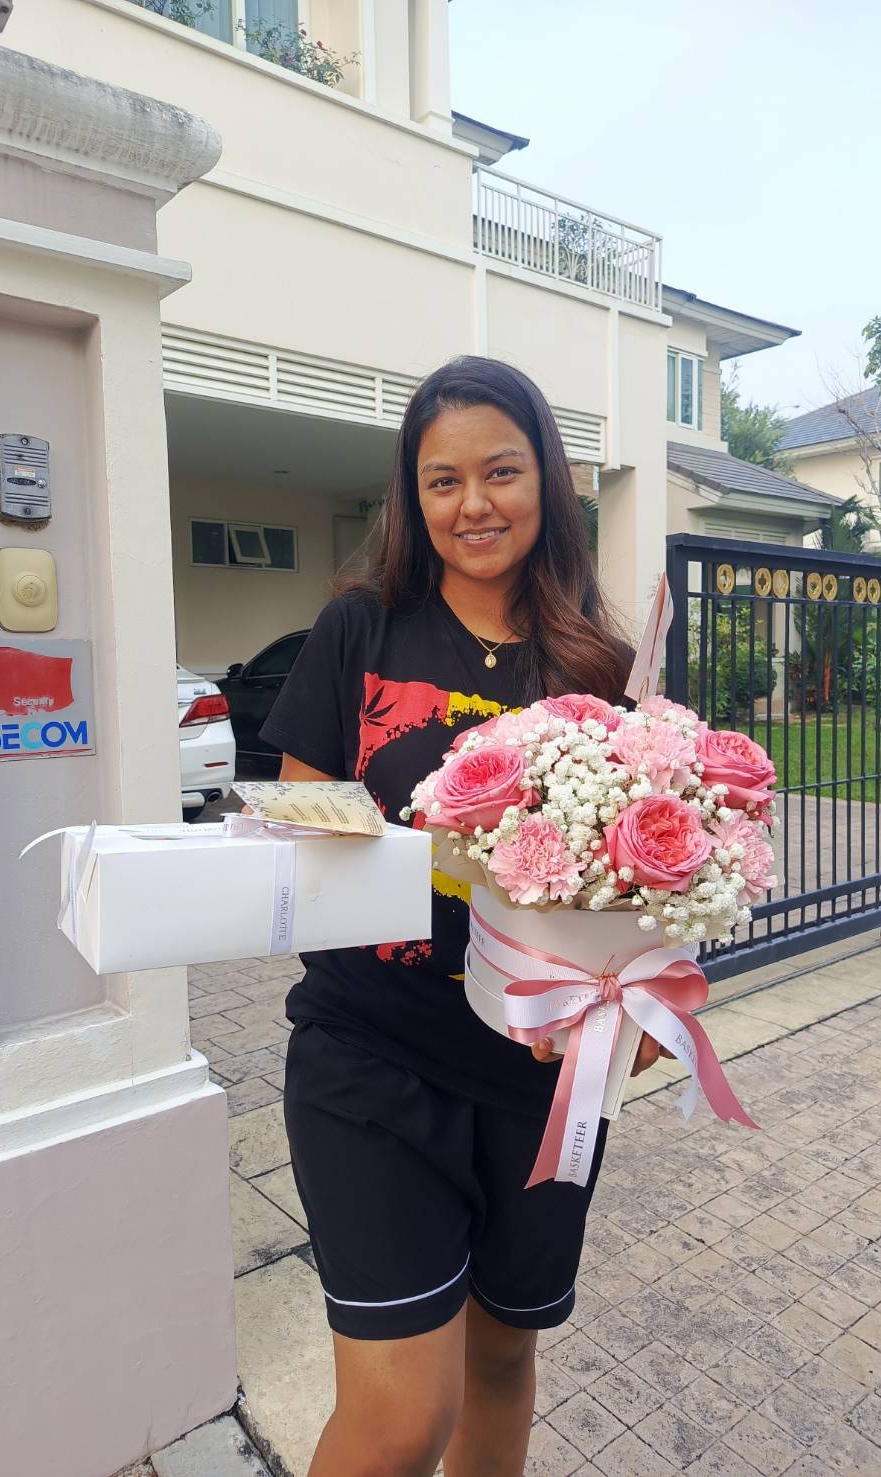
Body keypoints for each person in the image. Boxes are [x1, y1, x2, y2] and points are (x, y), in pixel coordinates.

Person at [258, 356, 669, 1477]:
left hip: (536, 1080)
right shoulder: (358, 633)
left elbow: (641, 886)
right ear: (412, 493)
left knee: (499, 1363)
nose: (472, 504)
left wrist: (639, 1000)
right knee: (401, 1418)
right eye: (442, 481)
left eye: (500, 471)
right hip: (369, 1057)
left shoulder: (603, 665)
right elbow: (302, 830)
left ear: (549, 480)